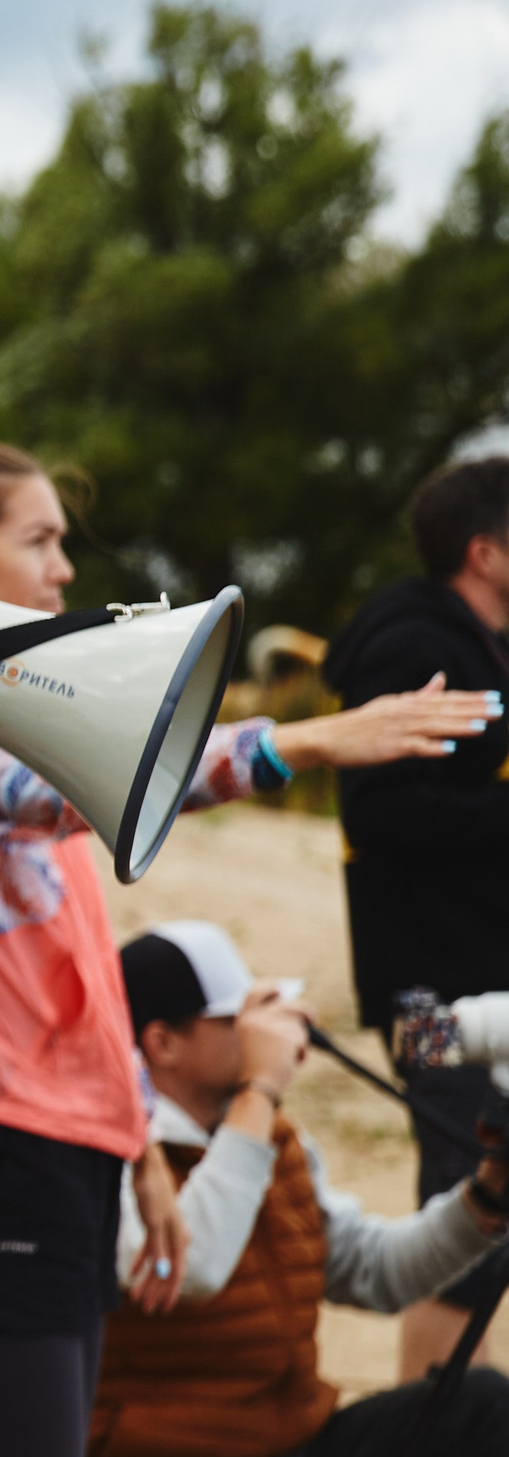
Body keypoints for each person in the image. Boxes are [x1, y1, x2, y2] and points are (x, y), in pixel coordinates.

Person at [0, 440, 499, 1457]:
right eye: (36, 540)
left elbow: (73, 977)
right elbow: (83, 784)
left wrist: (132, 1147)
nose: (63, 567)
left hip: (54, 1153)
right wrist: (314, 741)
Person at [75, 922, 509, 1457]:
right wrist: (259, 1090)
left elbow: (376, 1271)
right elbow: (188, 1265)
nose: (263, 1030)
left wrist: (485, 1200)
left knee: (489, 1411)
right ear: (162, 1042)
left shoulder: (273, 1139)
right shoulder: (113, 1158)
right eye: (233, 1017)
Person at [322, 456, 509, 1388]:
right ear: (484, 551)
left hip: (490, 979)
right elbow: (382, 811)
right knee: (465, 1208)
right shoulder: (412, 647)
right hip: (430, 988)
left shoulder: (489, 642)